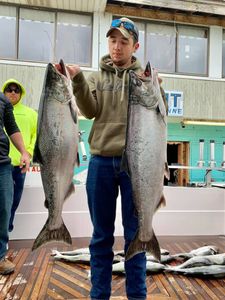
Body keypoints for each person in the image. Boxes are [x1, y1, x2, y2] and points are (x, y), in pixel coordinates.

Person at [56, 17, 161, 300]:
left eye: (123, 41)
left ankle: (137, 295)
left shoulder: (145, 79)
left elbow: (157, 122)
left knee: (135, 236)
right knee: (100, 237)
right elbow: (88, 112)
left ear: (135, 46)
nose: (117, 46)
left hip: (135, 166)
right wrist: (77, 79)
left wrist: (156, 89)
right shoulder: (96, 77)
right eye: (113, 40)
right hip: (101, 162)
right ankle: (98, 295)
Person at [0, 91, 30, 275]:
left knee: (4, 209)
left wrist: (24, 152)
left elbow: (12, 127)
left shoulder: (2, 99)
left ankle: (0, 257)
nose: (12, 92)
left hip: (2, 163)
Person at [1, 79, 37, 232]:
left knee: (14, 202)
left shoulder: (31, 113)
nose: (13, 93)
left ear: (21, 93)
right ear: (4, 92)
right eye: (9, 89)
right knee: (4, 204)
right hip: (3, 164)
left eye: (17, 90)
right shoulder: (2, 109)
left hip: (20, 165)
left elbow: (37, 135)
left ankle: (7, 230)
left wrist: (27, 152)